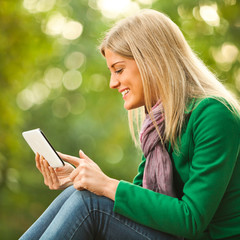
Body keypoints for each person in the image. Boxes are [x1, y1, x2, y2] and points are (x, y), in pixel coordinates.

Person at [19, 9, 240, 240]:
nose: (113, 83)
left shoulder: (214, 114)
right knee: (80, 193)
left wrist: (105, 185)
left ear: (152, 61)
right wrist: (82, 179)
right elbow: (142, 204)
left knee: (90, 202)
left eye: (119, 69)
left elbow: (192, 218)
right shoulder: (160, 123)